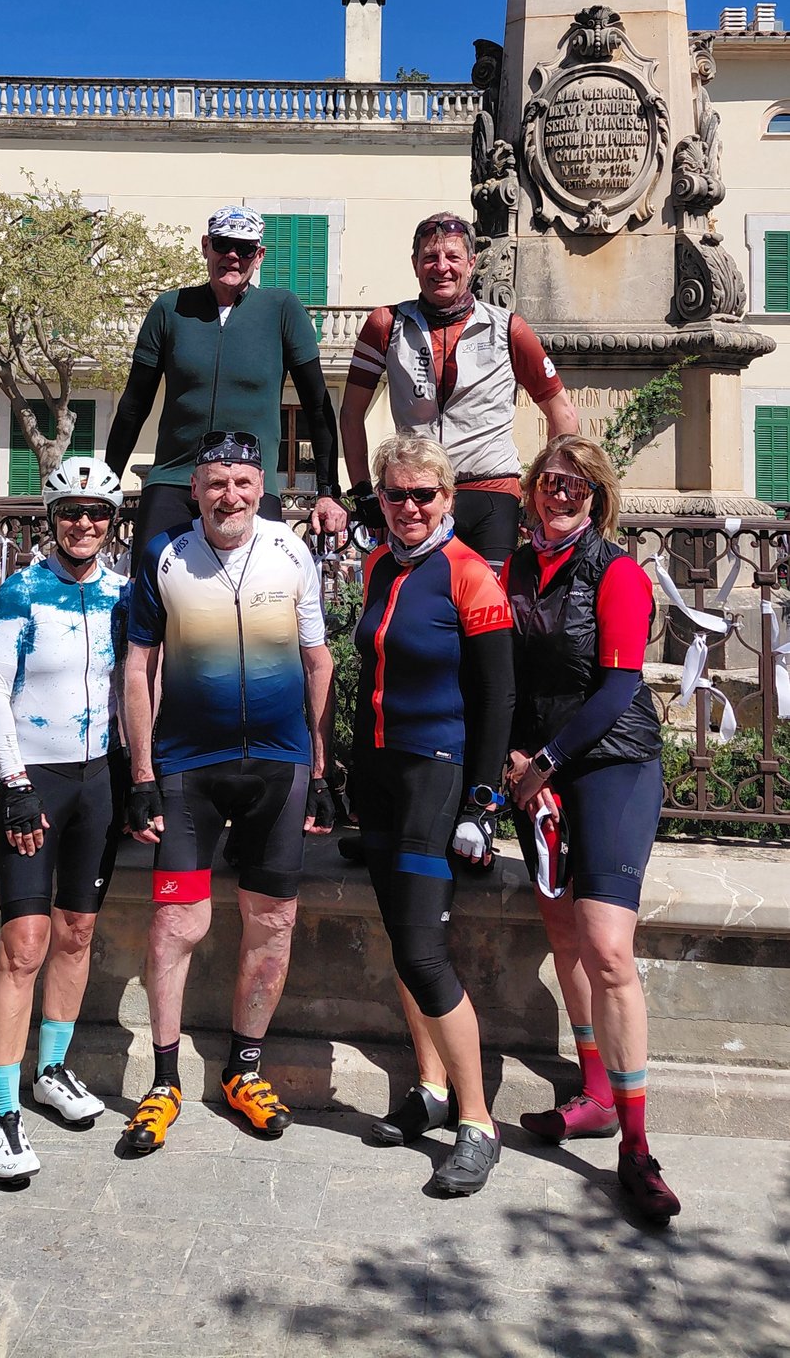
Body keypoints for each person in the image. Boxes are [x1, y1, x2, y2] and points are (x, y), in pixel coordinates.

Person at [120, 428, 334, 1152]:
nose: (229, 495)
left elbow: (317, 662)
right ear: (195, 490)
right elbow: (138, 668)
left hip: (279, 768)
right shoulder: (165, 555)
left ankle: (244, 1071)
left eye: (242, 482)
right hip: (189, 770)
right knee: (175, 925)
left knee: (272, 923)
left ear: (260, 487)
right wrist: (142, 776)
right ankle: (164, 1081)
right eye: (215, 482)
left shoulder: (291, 551)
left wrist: (322, 769)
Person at [504, 434, 680, 1224]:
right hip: (535, 768)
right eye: (548, 480)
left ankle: (636, 1148)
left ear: (597, 496)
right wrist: (513, 756)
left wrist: (543, 760)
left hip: (610, 762)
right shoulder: (514, 568)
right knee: (561, 931)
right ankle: (597, 1094)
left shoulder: (615, 571)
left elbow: (615, 688)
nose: (559, 493)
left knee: (606, 947)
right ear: (531, 490)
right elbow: (502, 674)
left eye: (574, 484)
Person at [352, 433, 515, 1196]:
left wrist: (483, 801)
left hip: (435, 778)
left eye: (424, 495)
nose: (409, 507)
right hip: (380, 777)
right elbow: (366, 678)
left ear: (447, 498)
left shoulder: (468, 573)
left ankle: (477, 1122)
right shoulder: (378, 567)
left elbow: (497, 697)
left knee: (423, 952)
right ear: (381, 498)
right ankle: (430, 1089)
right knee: (400, 943)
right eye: (396, 494)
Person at [0, 457, 127, 1183]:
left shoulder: (125, 594)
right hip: (35, 781)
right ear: (52, 518)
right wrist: (14, 785)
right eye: (71, 511)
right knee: (23, 946)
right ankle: (0, 1110)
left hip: (100, 781)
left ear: (112, 522)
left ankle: (52, 1069)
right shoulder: (21, 591)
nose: (84, 523)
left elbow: (141, 686)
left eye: (97, 512)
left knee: (77, 932)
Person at [106, 204, 348, 568]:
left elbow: (317, 407)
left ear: (259, 255)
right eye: (223, 244)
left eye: (245, 248)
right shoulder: (170, 308)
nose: (233, 255)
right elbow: (133, 405)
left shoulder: (282, 309)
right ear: (206, 246)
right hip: (175, 479)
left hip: (251, 485)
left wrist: (328, 491)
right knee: (150, 587)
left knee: (257, 593)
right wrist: (106, 482)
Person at [340, 211, 578, 572]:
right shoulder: (385, 325)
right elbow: (351, 413)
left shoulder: (507, 328)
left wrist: (546, 493)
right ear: (415, 264)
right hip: (418, 495)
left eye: (452, 256)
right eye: (430, 257)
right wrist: (363, 492)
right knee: (419, 600)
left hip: (491, 492)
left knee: (489, 602)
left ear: (471, 263)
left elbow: (562, 412)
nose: (442, 267)